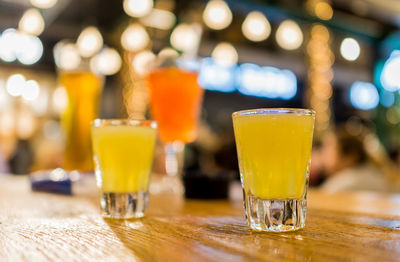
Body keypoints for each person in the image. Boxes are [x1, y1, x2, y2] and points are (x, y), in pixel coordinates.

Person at [319, 126, 396, 193]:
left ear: (350, 157)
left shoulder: (343, 184)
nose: (322, 154)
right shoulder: (374, 174)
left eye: (329, 149)